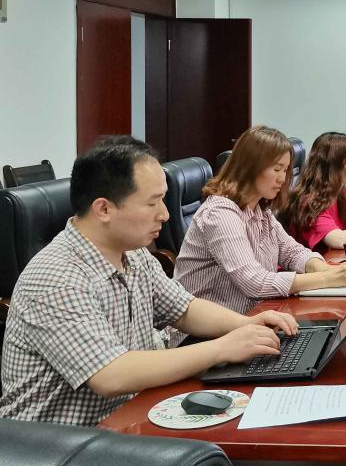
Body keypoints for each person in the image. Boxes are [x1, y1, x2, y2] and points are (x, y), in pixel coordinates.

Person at [0, 136, 298, 426]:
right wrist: (222, 348)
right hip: (58, 443)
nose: (165, 214)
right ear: (104, 209)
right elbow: (111, 374)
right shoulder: (56, 276)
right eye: (153, 203)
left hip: (130, 417)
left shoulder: (134, 254)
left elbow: (184, 308)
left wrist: (246, 325)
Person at [174, 126, 346, 316]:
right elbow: (254, 282)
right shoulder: (220, 213)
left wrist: (324, 269)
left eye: (285, 170)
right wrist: (326, 279)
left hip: (252, 316)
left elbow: (291, 252)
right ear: (250, 167)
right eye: (277, 169)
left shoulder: (260, 209)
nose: (282, 178)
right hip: (213, 327)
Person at [280, 131, 346, 254]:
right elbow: (338, 240)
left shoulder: (339, 192)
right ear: (335, 164)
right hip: (313, 264)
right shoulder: (310, 201)